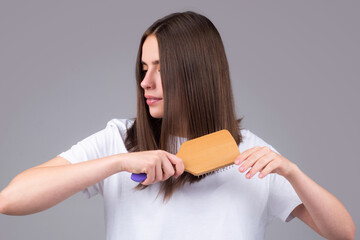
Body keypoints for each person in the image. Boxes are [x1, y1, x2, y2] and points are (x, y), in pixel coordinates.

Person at [0, 11, 355, 240]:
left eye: (160, 68)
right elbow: (10, 199)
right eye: (143, 68)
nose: (145, 82)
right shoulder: (119, 141)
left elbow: (343, 232)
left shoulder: (250, 156)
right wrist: (118, 163)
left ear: (196, 74)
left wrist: (292, 173)